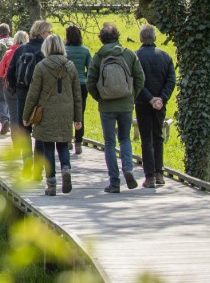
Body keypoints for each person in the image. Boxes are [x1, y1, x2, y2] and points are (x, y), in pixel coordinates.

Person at [87, 23, 145, 193]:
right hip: (126, 104)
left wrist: (101, 98)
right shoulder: (128, 54)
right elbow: (140, 78)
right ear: (118, 36)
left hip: (106, 107)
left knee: (110, 143)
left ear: (102, 39)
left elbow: (91, 82)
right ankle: (128, 168)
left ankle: (114, 182)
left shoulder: (98, 56)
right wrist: (131, 96)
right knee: (125, 139)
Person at [23, 34, 83, 196]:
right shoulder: (70, 66)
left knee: (48, 146)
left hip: (46, 112)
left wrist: (26, 115)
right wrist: (78, 118)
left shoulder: (41, 66)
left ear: (47, 48)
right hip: (66, 111)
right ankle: (66, 169)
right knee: (63, 144)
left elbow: (33, 93)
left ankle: (51, 184)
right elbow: (77, 94)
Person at [6, 20, 52, 171]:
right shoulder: (46, 51)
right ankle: (38, 164)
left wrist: (15, 88)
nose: (49, 35)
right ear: (40, 33)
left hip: (22, 93)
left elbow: (11, 72)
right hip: (40, 96)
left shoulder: (21, 49)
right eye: (48, 32)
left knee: (24, 127)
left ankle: (26, 159)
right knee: (39, 129)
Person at [135, 25, 176, 188]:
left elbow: (136, 82)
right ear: (155, 38)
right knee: (158, 136)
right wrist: (161, 99)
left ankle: (149, 176)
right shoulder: (165, 57)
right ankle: (160, 173)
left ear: (141, 39)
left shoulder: (136, 57)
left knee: (146, 138)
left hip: (142, 102)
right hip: (160, 104)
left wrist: (149, 98)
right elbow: (171, 80)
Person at [64, 25, 93, 155]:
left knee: (67, 112)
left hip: (67, 85)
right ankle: (79, 142)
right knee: (80, 113)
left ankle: (68, 140)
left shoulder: (64, 50)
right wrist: (84, 77)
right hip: (82, 84)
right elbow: (91, 69)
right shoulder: (85, 51)